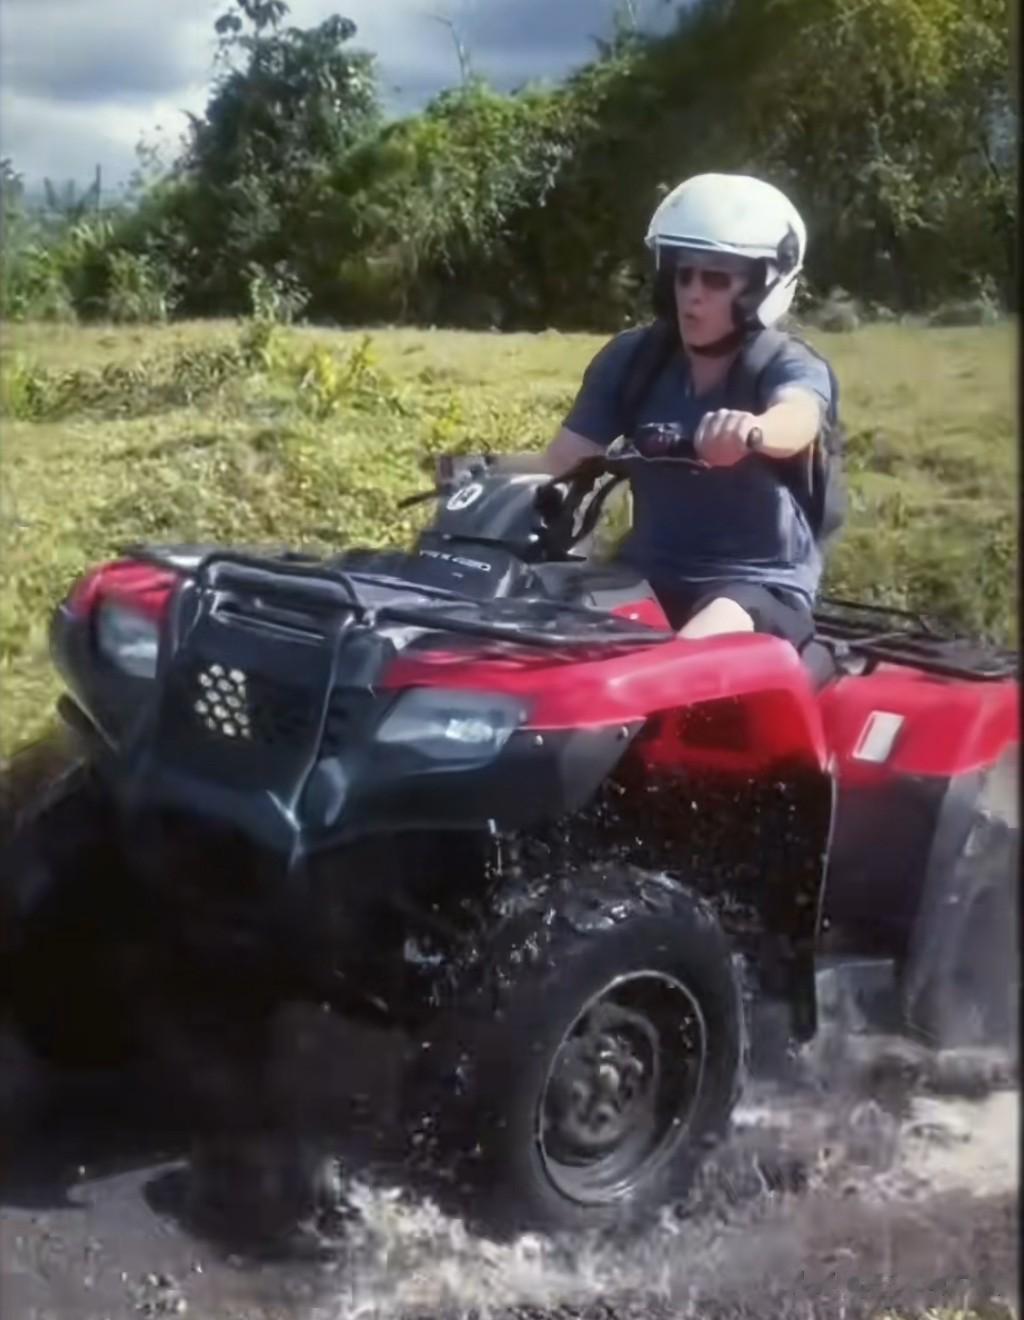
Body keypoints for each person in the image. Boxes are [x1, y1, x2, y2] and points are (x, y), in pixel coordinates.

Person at [535, 172, 837, 647]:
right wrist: (474, 476)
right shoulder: (634, 359)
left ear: (765, 286)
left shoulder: (784, 362)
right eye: (683, 274)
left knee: (682, 662)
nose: (692, 293)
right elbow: (562, 461)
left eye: (716, 278)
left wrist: (753, 431)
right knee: (531, 623)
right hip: (645, 573)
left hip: (754, 585)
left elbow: (799, 417)